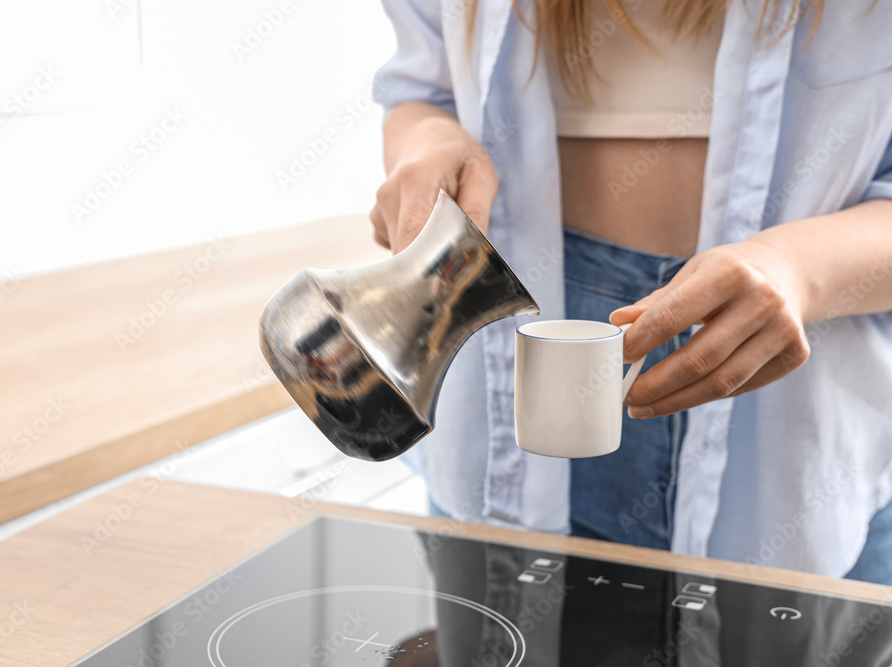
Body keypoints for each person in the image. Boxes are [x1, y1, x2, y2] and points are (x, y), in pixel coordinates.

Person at [369, 0, 892, 585]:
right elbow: (421, 91)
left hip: (797, 389)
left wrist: (796, 269)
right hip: (506, 359)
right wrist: (426, 145)